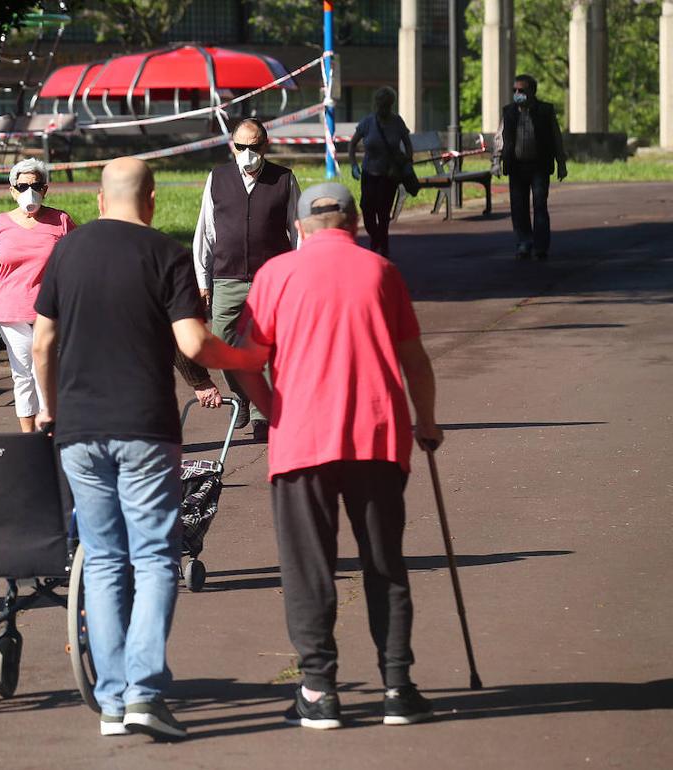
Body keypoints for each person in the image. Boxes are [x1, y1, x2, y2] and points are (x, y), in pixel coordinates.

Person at [33, 157, 264, 740]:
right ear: (153, 199)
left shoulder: (68, 251)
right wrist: (246, 359)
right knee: (156, 558)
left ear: (99, 200)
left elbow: (42, 342)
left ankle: (112, 701)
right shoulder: (166, 254)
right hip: (145, 428)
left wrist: (50, 407)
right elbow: (192, 341)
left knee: (104, 560)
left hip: (79, 430)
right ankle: (143, 693)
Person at [232, 182, 442, 729]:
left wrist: (274, 407)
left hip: (301, 441)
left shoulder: (275, 275)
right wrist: (427, 421)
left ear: (299, 227)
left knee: (309, 570)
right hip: (377, 437)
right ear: (353, 223)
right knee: (385, 564)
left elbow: (246, 361)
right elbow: (414, 359)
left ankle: (320, 692)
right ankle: (398, 687)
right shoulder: (381, 272)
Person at [192, 117, 300, 439]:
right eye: (241, 147)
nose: (247, 153)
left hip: (272, 280)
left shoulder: (284, 179)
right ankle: (241, 393)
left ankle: (259, 413)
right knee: (222, 343)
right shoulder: (217, 179)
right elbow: (206, 232)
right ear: (232, 147)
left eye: (253, 147)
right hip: (227, 277)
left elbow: (298, 233)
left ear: (264, 147)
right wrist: (202, 279)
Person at [0, 158, 75, 432]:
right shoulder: (0, 224)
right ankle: (30, 437)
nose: (30, 191)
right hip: (11, 311)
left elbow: (77, 264)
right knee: (23, 373)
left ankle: (51, 432)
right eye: (23, 185)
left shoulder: (61, 221)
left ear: (46, 189)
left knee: (50, 373)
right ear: (12, 190)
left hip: (51, 312)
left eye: (36, 185)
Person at [491, 74, 569, 260]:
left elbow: (556, 137)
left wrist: (561, 162)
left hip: (539, 166)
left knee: (540, 205)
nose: (518, 94)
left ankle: (540, 247)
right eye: (515, 90)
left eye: (522, 90)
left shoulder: (545, 111)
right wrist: (496, 160)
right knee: (519, 207)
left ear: (532, 92)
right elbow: (499, 137)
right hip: (516, 166)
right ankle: (524, 243)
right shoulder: (508, 112)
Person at [348, 86, 414, 257]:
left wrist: (408, 161)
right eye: (380, 105)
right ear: (375, 104)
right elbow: (352, 143)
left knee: (383, 212)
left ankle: (383, 247)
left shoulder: (397, 122)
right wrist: (353, 164)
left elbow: (407, 143)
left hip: (389, 175)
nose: (382, 108)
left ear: (390, 105)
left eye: (386, 105)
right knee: (367, 208)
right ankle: (376, 237)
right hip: (370, 172)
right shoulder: (368, 122)